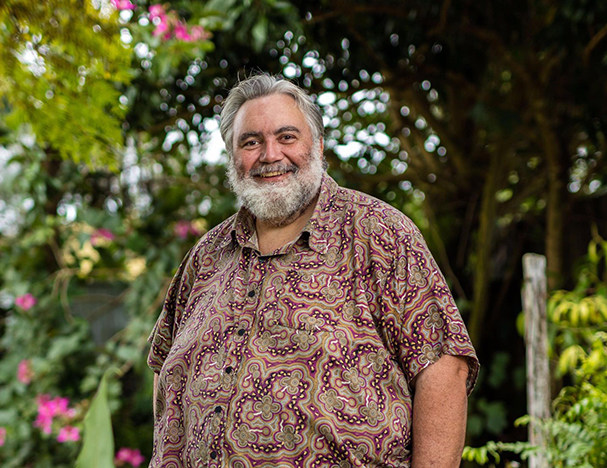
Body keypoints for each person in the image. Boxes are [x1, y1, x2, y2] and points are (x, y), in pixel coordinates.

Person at [147, 74, 479, 467]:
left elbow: (443, 368)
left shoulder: (379, 233)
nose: (270, 155)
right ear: (232, 157)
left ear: (318, 145)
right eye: (250, 141)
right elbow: (165, 372)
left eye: (287, 137)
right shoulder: (206, 256)